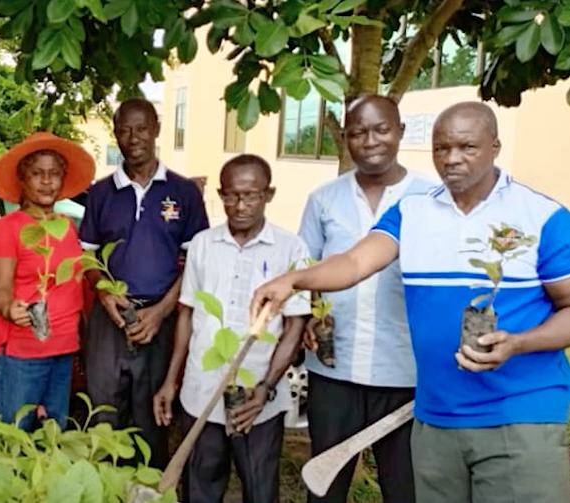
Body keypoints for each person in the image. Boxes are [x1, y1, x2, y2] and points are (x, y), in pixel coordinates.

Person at [252, 102, 570, 503]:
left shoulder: (541, 216)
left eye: (467, 147)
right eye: (441, 148)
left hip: (519, 418)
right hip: (435, 420)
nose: (452, 159)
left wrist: (518, 343)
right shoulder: (412, 211)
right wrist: (293, 280)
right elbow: (353, 262)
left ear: (495, 147)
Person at [296, 95, 435, 503]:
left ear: (401, 133)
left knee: (404, 488)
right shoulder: (324, 200)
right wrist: (308, 316)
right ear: (344, 138)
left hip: (406, 374)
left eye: (381, 129)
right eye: (357, 132)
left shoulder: (431, 199)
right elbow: (307, 269)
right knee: (325, 487)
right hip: (333, 372)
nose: (370, 140)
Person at [153, 155, 309, 502]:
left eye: (251, 196)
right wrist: (170, 380)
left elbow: (295, 326)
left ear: (268, 195)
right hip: (201, 389)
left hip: (257, 397)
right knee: (201, 485)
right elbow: (186, 315)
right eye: (230, 196)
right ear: (220, 195)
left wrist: (266, 388)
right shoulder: (203, 245)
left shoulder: (291, 248)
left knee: (259, 485)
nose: (240, 206)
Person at [79, 98, 209, 469]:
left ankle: (149, 491)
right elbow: (86, 256)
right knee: (104, 415)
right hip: (110, 319)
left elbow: (196, 264)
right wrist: (105, 295)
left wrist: (160, 312)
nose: (132, 137)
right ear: (115, 134)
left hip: (161, 319)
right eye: (123, 129)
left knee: (152, 417)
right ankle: (105, 491)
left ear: (156, 130)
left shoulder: (184, 193)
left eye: (141, 128)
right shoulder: (101, 193)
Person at [0, 132, 95, 430]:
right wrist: (10, 309)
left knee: (52, 434)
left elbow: (73, 287)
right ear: (23, 180)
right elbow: (2, 288)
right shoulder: (7, 229)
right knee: (14, 435)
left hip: (62, 348)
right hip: (22, 353)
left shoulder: (67, 228)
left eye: (54, 174)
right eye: (37, 174)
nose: (46, 182)